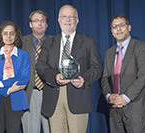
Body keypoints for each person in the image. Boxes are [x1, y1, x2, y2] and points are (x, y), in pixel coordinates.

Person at [37, 5, 102, 133]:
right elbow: (41, 66)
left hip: (78, 97)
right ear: (59, 20)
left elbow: (96, 68)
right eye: (64, 16)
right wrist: (55, 76)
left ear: (77, 20)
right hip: (54, 97)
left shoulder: (88, 41)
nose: (68, 20)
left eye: (71, 16)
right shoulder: (49, 42)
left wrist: (84, 79)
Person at [101, 14, 145, 133]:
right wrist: (109, 96)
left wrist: (126, 97)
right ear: (111, 31)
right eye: (115, 26)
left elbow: (144, 76)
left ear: (129, 27)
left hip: (135, 109)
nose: (118, 29)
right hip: (114, 109)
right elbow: (105, 78)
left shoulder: (142, 47)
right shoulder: (109, 53)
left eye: (122, 25)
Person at [0, 20, 30, 133]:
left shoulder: (23, 55)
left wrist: (0, 84)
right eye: (5, 33)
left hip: (16, 98)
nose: (8, 36)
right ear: (1, 36)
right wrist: (8, 89)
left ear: (16, 36)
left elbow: (23, 79)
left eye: (11, 33)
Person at [21, 10, 51, 133]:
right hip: (29, 93)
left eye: (42, 21)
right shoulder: (20, 43)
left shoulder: (55, 42)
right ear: (30, 24)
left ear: (46, 24)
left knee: (53, 129)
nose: (39, 23)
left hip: (50, 93)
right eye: (36, 21)